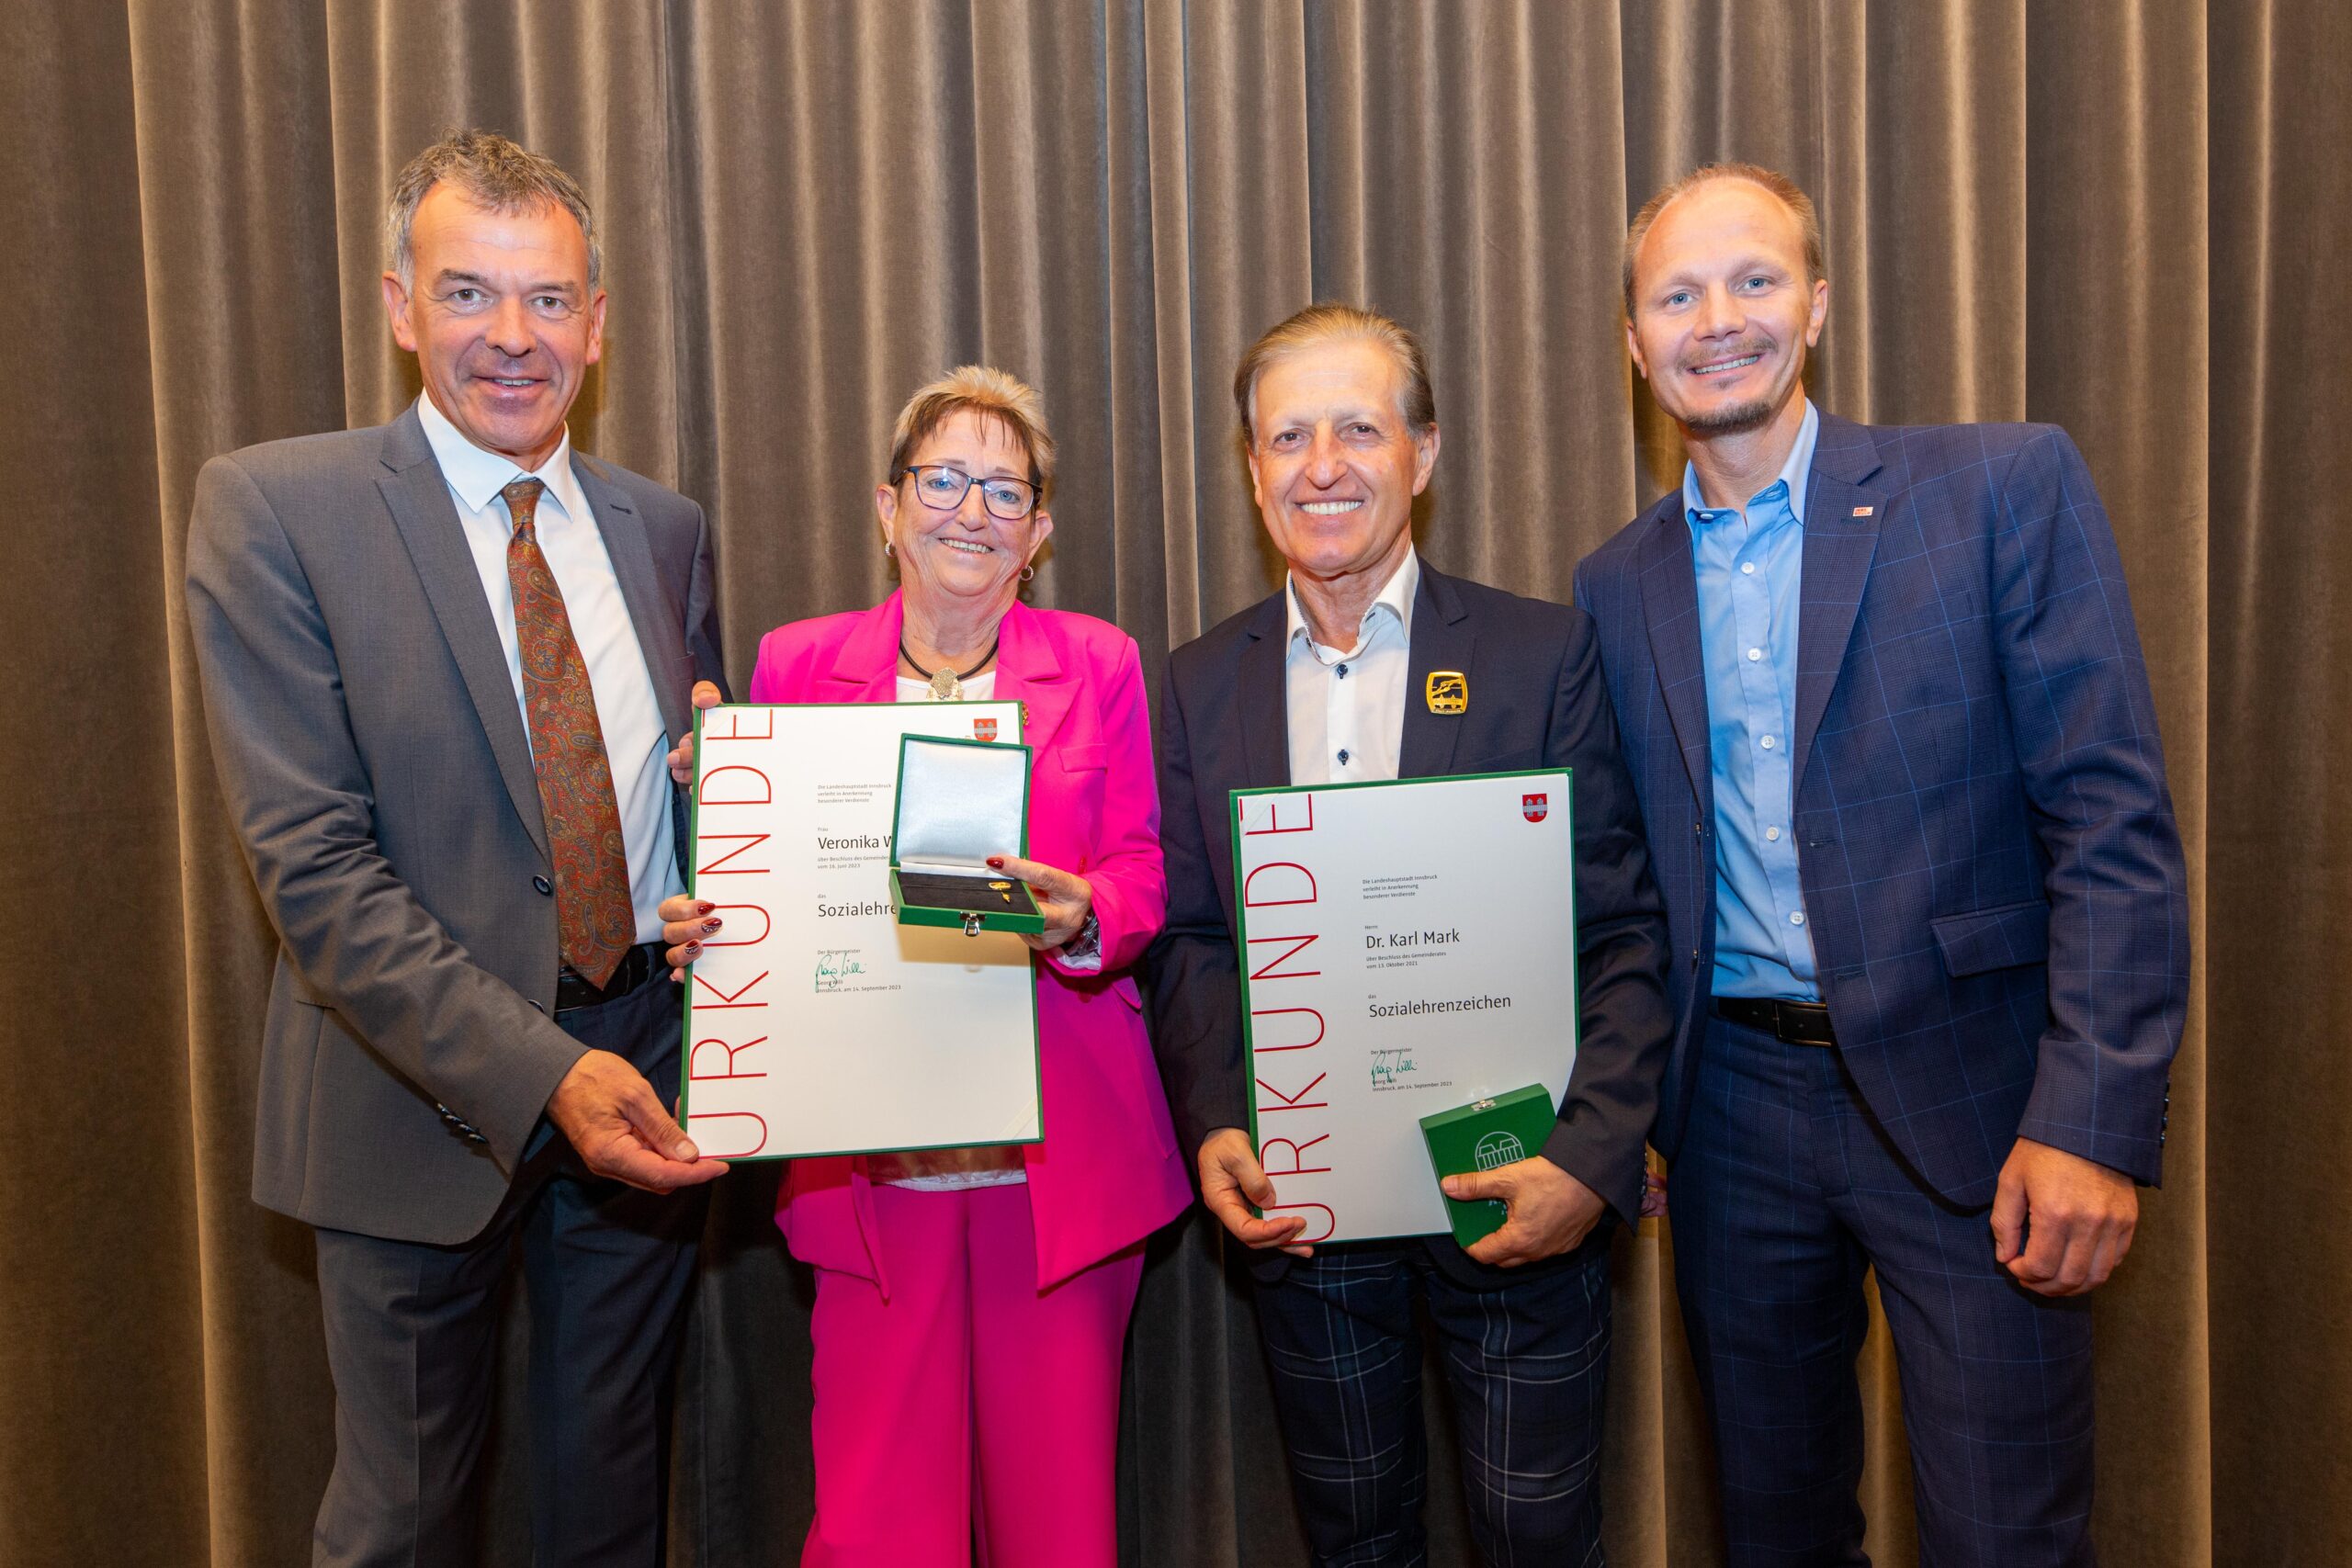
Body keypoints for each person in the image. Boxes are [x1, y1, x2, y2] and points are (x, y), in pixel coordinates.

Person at [1577, 163, 2190, 1565]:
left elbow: (2113, 822)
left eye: (1752, 280)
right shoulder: (1616, 583)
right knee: (1775, 1532)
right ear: (1633, 339)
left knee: (2004, 1535)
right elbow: (1619, 877)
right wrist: (1632, 1104)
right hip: (1730, 1118)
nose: (1716, 319)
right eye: (1676, 294)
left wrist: (2095, 1114)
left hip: (1986, 1107)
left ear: (1819, 304)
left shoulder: (1995, 486)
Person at [183, 131, 728, 1566]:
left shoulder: (664, 533)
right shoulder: (277, 511)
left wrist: (730, 843)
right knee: (406, 1521)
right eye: (468, 291)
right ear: (398, 304)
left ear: (598, 325)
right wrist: (549, 1073)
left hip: (648, 1080)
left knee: (609, 1508)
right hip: (408, 1097)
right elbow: (315, 874)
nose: (510, 336)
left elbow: (694, 811)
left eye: (548, 299)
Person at [1147, 303, 1674, 1566]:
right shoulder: (1194, 683)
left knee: (1539, 1541)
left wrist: (1587, 1162)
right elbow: (1195, 942)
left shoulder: (1543, 655)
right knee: (1354, 1543)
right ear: (1252, 468)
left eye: (1358, 429)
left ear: (1423, 456)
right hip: (1306, 1216)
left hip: (1515, 1201)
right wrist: (1220, 1120)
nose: (1321, 465)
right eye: (1287, 436)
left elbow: (1623, 933)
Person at [662, 367, 1190, 1566]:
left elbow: (1147, 875)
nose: (971, 510)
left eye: (1005, 489)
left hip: (1055, 1168)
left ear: (1040, 533)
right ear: (888, 507)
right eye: (943, 479)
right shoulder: (796, 663)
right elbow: (785, 884)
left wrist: (1080, 916)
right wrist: (725, 906)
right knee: (875, 1530)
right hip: (870, 1173)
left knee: (1058, 1531)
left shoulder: (1097, 663)